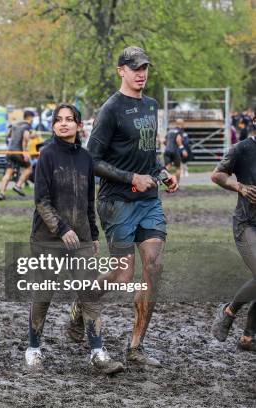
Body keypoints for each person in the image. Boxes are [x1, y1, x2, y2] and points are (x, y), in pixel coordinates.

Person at [84, 46, 178, 368]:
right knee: (124, 276)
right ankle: (85, 300)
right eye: (135, 68)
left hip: (148, 200)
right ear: (121, 70)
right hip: (116, 201)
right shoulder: (110, 109)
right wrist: (131, 177)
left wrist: (162, 173)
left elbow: (149, 155)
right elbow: (92, 161)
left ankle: (136, 348)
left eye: (145, 68)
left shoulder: (151, 106)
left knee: (153, 268)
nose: (142, 73)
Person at [26, 104, 124, 374]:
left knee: (89, 294)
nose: (64, 124)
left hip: (80, 239)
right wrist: (62, 229)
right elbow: (41, 201)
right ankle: (34, 348)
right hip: (47, 238)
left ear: (79, 125)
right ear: (53, 125)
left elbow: (87, 202)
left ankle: (97, 353)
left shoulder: (85, 158)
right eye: (59, 120)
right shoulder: (46, 155)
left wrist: (92, 236)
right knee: (43, 293)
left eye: (70, 120)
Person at [210, 116, 256, 352]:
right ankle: (229, 311)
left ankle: (248, 338)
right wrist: (239, 186)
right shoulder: (242, 149)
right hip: (247, 223)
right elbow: (217, 175)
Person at [0, 111, 34, 200]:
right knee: (29, 168)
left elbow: (8, 135)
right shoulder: (27, 125)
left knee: (8, 173)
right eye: (32, 118)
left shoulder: (15, 124)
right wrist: (25, 152)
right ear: (29, 118)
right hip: (19, 152)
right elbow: (25, 138)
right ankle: (18, 186)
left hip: (10, 151)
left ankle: (1, 193)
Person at [163, 118, 189, 183]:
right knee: (178, 168)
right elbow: (178, 140)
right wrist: (183, 149)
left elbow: (164, 141)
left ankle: (159, 181)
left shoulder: (170, 131)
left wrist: (168, 147)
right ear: (181, 123)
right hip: (175, 151)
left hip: (167, 150)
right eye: (183, 123)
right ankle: (177, 184)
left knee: (167, 167)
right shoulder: (179, 131)